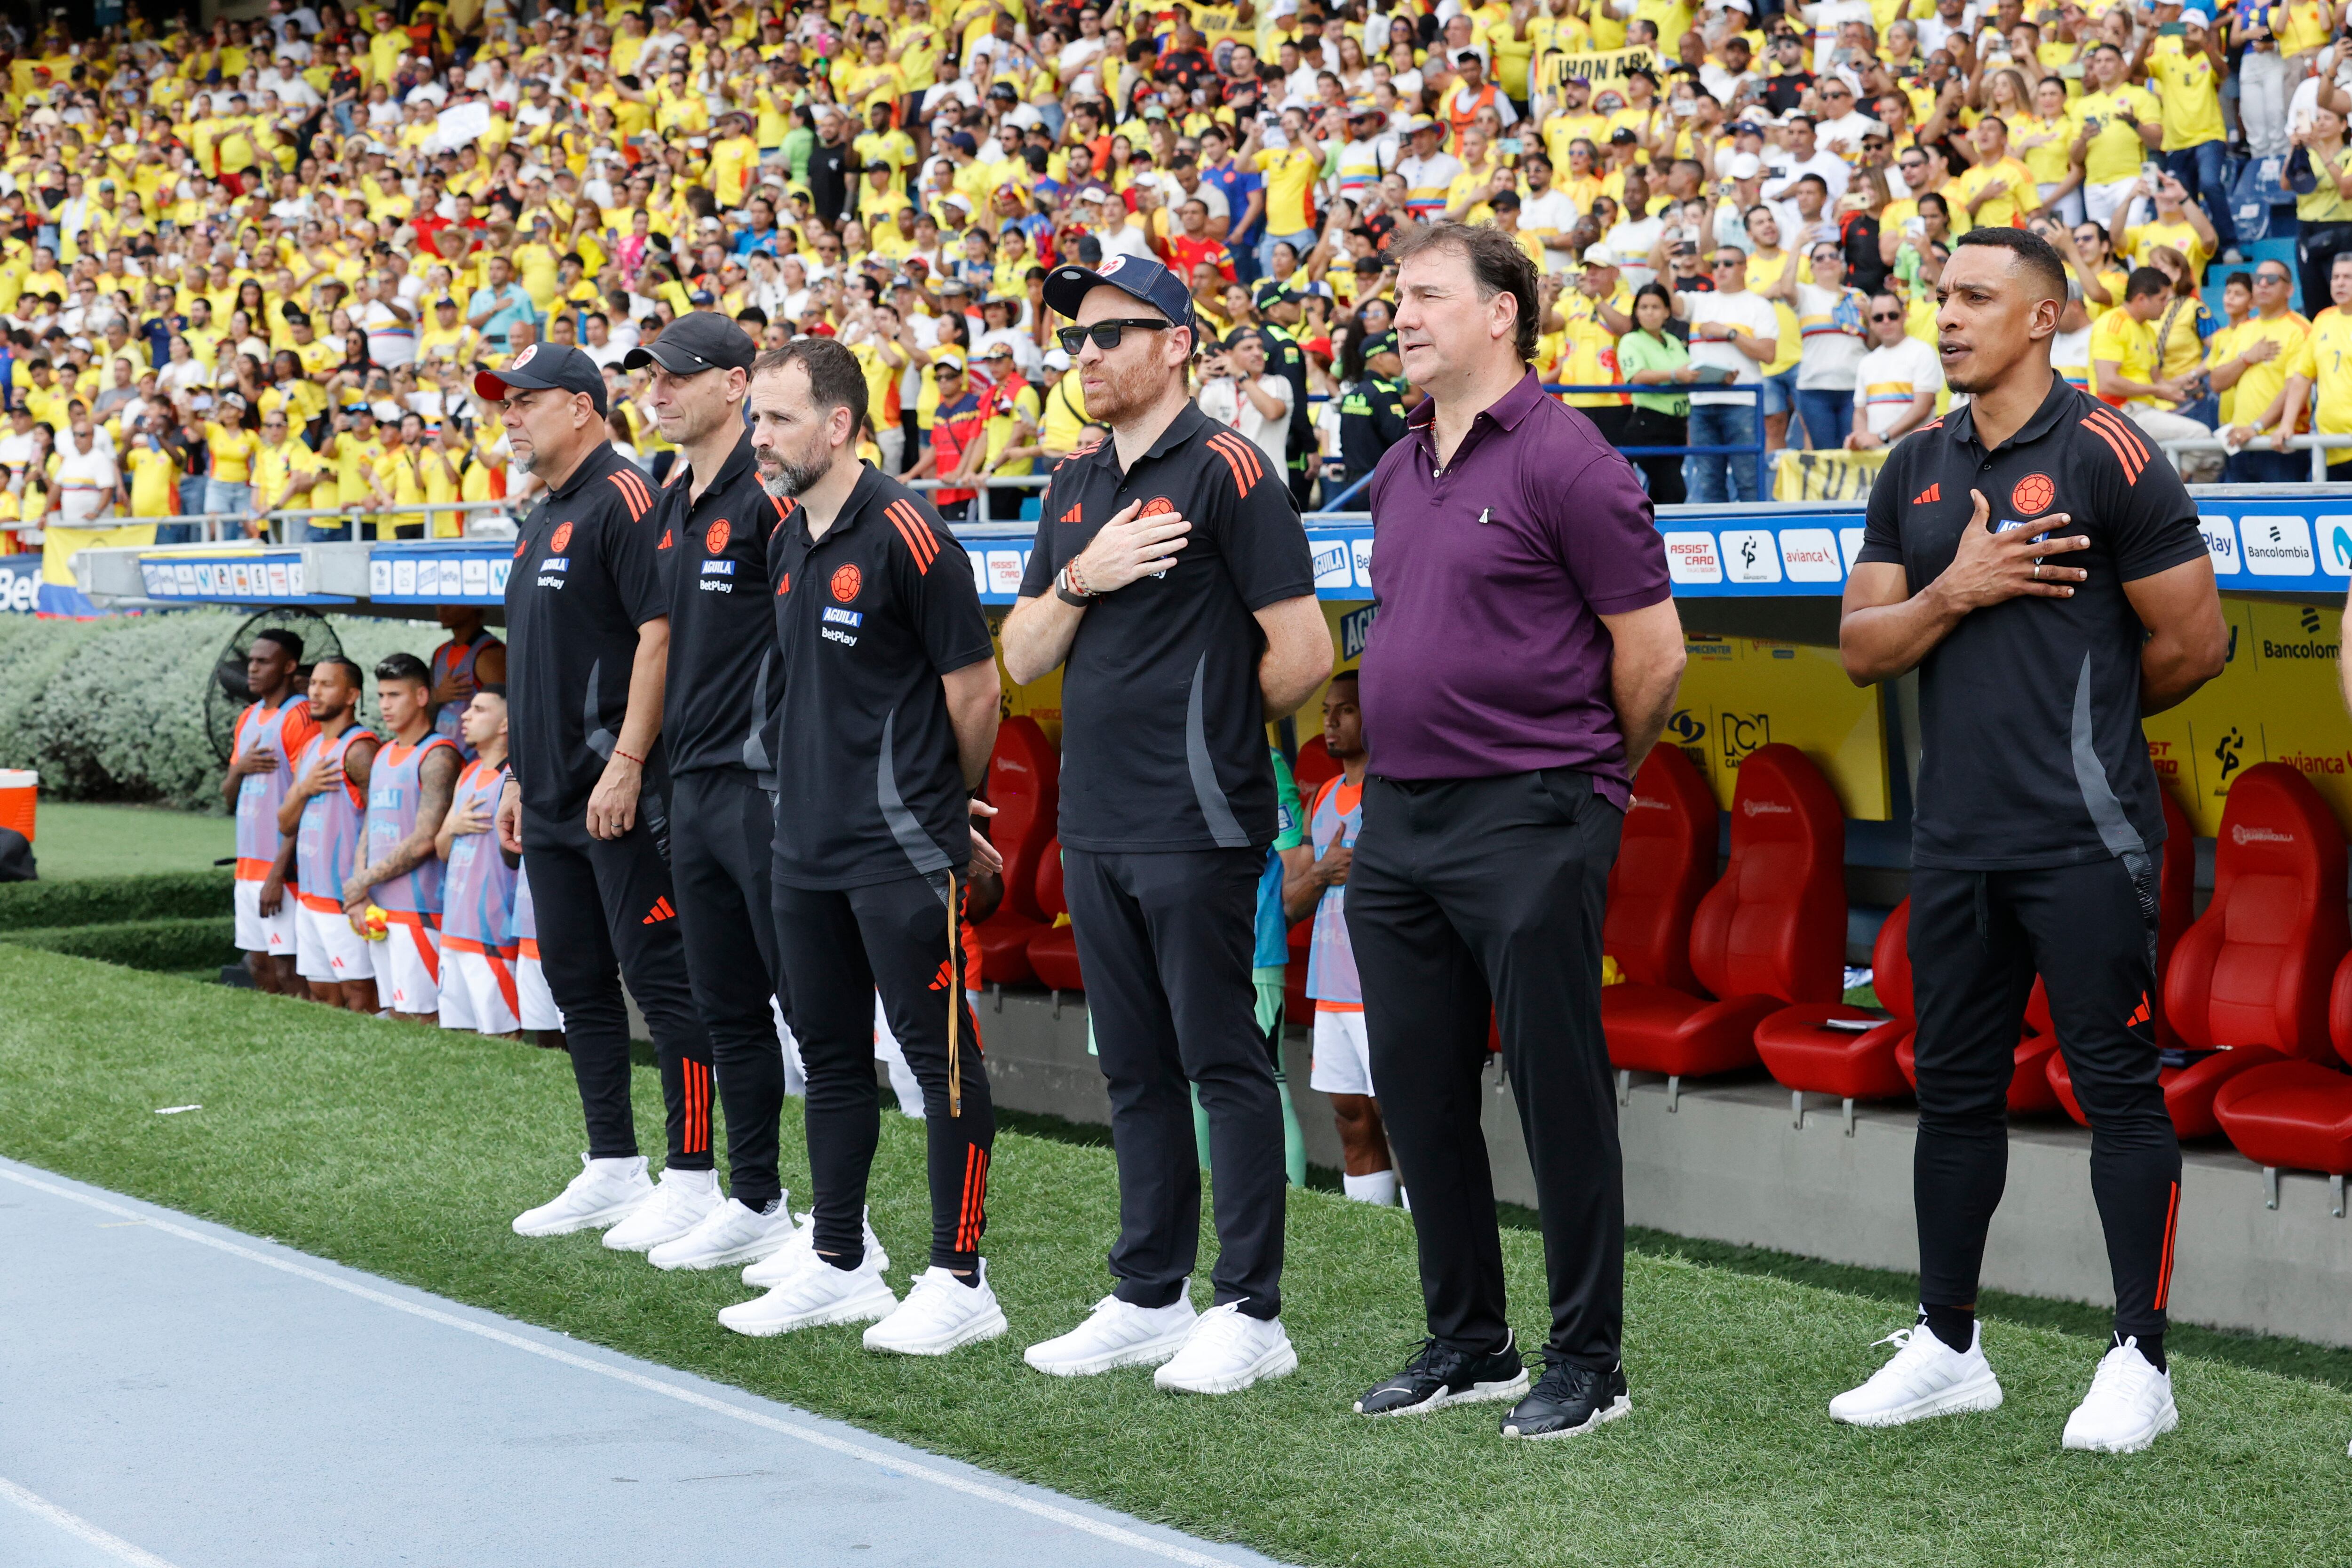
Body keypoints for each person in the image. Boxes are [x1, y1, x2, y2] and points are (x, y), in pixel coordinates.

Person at [1834, 226, 2226, 1454]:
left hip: (2086, 835)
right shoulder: (1912, 466)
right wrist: (1957, 587)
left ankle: (2138, 1360)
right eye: (1940, 295)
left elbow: (2196, 642)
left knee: (2116, 1089)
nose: (1946, 316)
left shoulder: (2110, 450)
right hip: (1955, 841)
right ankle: (1949, 1344)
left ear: (2044, 317)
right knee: (1953, 1091)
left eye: (1975, 298)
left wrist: (2094, 718)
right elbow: (1862, 646)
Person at [1343, 222, 1684, 1438]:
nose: (1401, 315)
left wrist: (1588, 786)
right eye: (1395, 298)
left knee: (1557, 1092)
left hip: (1534, 812)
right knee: (1419, 1088)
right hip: (1401, 823)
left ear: (1503, 313)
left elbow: (1654, 656)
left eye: (1427, 295)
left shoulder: (1570, 459)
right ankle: (1470, 1339)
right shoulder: (1394, 468)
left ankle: (1589, 1360)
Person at [1004, 253, 1330, 1394]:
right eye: (1075, 342)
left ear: (1176, 342)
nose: (1084, 357)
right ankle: (1150, 1295)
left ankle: (1252, 1310)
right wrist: (1083, 576)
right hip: (1094, 820)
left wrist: (1214, 748)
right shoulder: (1073, 484)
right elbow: (1021, 653)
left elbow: (1304, 655)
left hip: (1196, 821)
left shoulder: (1232, 471)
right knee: (1135, 1069)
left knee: (1220, 1062)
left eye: (1108, 335)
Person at [723, 337, 1009, 1357]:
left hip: (897, 846)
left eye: (779, 419)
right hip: (802, 842)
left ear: (838, 425)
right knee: (831, 1057)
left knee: (941, 1067)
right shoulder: (785, 531)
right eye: (756, 417)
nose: (760, 437)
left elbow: (975, 691)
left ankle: (961, 1275)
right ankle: (839, 1259)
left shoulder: (909, 531)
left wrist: (950, 803)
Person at [488, 343, 720, 1244]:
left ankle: (695, 1174)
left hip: (619, 794)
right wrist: (514, 770)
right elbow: (543, 661)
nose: (510, 415)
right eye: (504, 403)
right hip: (546, 799)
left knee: (663, 982)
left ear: (582, 407)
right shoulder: (542, 512)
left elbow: (659, 639)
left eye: (525, 400)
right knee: (576, 982)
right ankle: (614, 1164)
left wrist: (626, 761)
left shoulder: (626, 497)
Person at [622, 311, 802, 1276]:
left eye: (678, 376)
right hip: (691, 785)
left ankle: (840, 1229)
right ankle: (757, 1197)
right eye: (653, 376)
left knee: (807, 1006)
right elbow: (661, 645)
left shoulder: (772, 491)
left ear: (738, 385)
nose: (658, 392)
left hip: (764, 783)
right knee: (724, 1002)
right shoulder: (668, 497)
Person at [1282, 669, 1395, 1206]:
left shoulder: (1396, 790)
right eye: (1326, 709)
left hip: (1383, 987)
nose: (1328, 721)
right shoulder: (1323, 795)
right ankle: (1372, 1234)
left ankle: (1432, 1238)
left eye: (1345, 709)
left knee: (1404, 1119)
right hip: (1331, 988)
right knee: (1350, 1118)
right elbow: (1290, 901)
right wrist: (1323, 873)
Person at [346, 653, 461, 1024]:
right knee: (395, 1013)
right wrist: (359, 891)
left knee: (422, 1017)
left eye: (395, 695)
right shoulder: (383, 754)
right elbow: (370, 822)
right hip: (380, 907)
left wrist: (363, 879)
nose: (385, 705)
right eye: (381, 696)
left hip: (420, 911)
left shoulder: (438, 754)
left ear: (423, 697)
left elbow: (425, 839)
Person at [280, 656, 378, 1014]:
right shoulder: (310, 749)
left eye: (327, 685)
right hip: (310, 896)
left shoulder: (361, 748)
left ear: (352, 694)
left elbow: (382, 821)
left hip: (345, 897)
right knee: (322, 991)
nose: (315, 692)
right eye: (313, 684)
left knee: (360, 995)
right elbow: (285, 823)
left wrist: (363, 886)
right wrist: (304, 789)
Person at [223, 628, 315, 997]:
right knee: (259, 963)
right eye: (252, 661)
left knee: (287, 966)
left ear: (289, 666)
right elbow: (228, 796)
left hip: (280, 868)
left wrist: (278, 873)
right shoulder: (248, 717)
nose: (253, 668)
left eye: (264, 661)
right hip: (247, 865)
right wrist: (239, 768)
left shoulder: (299, 717)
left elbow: (306, 799)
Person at [435, 688, 520, 1040]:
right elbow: (441, 848)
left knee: (500, 1037)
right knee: (459, 1038)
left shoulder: (515, 777)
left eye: (479, 709)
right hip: (454, 927)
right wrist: (452, 827)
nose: (465, 716)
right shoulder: (468, 772)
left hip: (493, 929)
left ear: (505, 724)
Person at [1677, 245, 1779, 501]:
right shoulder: (1701, 300)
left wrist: (1728, 333)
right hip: (1702, 402)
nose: (1721, 269)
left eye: (1728, 264)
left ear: (1744, 267)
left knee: (1748, 482)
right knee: (1709, 483)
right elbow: (1668, 301)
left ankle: (1756, 538)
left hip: (1742, 401)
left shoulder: (1759, 305)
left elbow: (1768, 354)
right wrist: (1671, 264)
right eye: (1716, 264)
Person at [2090, 267, 2215, 469]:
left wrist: (2180, 387)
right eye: (2163, 299)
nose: (2167, 305)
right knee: (2200, 436)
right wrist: (2158, 390)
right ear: (2141, 299)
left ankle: (2173, 490)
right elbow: (2107, 383)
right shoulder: (2112, 323)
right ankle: (2175, 493)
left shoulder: (2147, 329)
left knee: (2210, 457)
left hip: (2144, 411)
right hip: (2119, 412)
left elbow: (2157, 381)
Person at [2213, 259, 2312, 483]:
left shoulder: (2300, 328)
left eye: (2273, 279)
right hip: (2240, 441)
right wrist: (2247, 359)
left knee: (2283, 517)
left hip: (2281, 444)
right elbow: (2217, 382)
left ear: (2290, 289)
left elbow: (2295, 386)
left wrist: (2256, 428)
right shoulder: (2244, 329)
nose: (2263, 284)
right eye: (2258, 279)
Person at [2275, 251, 2352, 481]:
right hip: (2331, 449)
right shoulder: (2322, 320)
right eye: (2335, 277)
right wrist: (2287, 423)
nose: (2340, 283)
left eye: (2348, 277)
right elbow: (2303, 377)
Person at [1613, 284, 1692, 503]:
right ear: (1636, 311)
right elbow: (1636, 376)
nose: (1649, 312)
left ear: (1667, 312)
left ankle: (1656, 537)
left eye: (1656, 307)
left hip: (1677, 426)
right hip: (1649, 425)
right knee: (1674, 492)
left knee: (1662, 496)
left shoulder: (1673, 341)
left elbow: (1688, 371)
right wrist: (1675, 374)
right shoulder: (1631, 340)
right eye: (1644, 307)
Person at [1846, 291, 1945, 449]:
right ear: (1870, 322)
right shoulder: (1866, 362)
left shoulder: (1923, 352)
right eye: (1878, 318)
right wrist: (1861, 438)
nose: (1886, 321)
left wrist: (1883, 437)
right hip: (1876, 459)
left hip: (1914, 454)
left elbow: (1922, 407)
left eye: (1892, 315)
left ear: (1905, 316)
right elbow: (1860, 412)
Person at [1196, 327, 1294, 474]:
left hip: (1269, 483)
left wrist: (1241, 375)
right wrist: (1197, 382)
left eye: (1260, 347)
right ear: (1228, 355)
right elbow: (1193, 422)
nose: (1258, 353)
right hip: (1227, 482)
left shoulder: (1278, 383)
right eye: (1248, 348)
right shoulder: (1217, 388)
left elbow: (1273, 412)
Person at [428, 606, 508, 754]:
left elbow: (508, 712)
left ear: (474, 605)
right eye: (440, 600)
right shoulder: (441, 652)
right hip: (443, 754)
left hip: (477, 759)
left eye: (452, 601)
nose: (442, 607)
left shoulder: (490, 655)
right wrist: (437, 697)